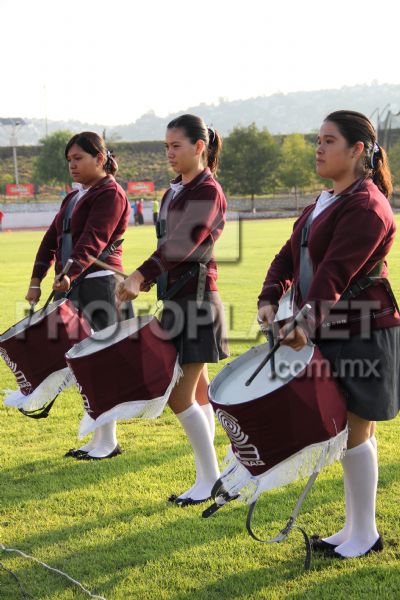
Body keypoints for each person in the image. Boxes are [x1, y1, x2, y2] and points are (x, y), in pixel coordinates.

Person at [257, 110, 400, 559]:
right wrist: (269, 296)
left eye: (329, 141)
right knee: (349, 431)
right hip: (333, 329)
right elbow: (288, 256)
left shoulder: (368, 205)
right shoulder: (324, 200)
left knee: (356, 429)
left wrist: (303, 322)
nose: (318, 148)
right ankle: (355, 528)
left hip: (364, 330)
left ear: (358, 150)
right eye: (318, 139)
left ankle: (365, 534)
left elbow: (335, 273)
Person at [116, 114, 229, 505]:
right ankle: (211, 474)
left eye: (175, 146)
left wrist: (140, 275)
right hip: (178, 302)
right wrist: (145, 281)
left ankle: (211, 480)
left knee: (178, 396)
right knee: (197, 393)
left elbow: (183, 244)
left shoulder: (208, 191)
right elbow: (169, 248)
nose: (169, 153)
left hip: (197, 304)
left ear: (199, 147)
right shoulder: (173, 192)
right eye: (166, 146)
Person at [26, 131, 133, 460]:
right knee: (83, 363)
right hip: (75, 285)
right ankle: (98, 439)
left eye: (78, 158)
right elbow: (51, 239)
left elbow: (94, 239)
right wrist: (36, 279)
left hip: (101, 285)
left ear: (99, 159)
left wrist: (69, 273)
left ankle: (108, 441)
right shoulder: (73, 197)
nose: (72, 165)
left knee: (101, 362)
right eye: (69, 160)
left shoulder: (111, 193)